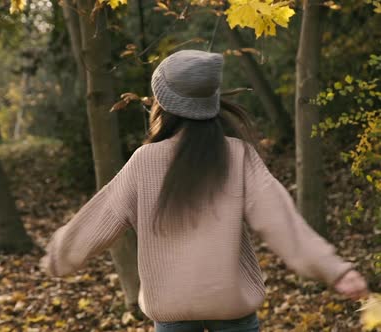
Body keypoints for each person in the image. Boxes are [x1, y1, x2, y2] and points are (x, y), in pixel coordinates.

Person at [39, 50, 368, 332]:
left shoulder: (144, 161)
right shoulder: (238, 156)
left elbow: (98, 222)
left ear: (161, 105)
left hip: (172, 313)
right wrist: (336, 271)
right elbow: (284, 225)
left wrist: (58, 258)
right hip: (232, 310)